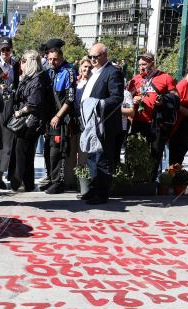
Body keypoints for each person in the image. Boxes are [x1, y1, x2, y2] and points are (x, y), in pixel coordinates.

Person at [79, 43, 124, 205]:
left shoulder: (113, 72)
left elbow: (117, 98)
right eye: (90, 57)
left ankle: (102, 194)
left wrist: (98, 104)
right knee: (92, 157)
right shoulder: (94, 72)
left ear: (105, 56)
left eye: (95, 57)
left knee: (103, 159)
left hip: (104, 124)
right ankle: (93, 189)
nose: (92, 60)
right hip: (91, 122)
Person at [127, 53, 177, 181]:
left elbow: (176, 98)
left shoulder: (165, 77)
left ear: (152, 64)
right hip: (139, 121)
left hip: (157, 122)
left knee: (155, 153)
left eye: (144, 64)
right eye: (139, 65)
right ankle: (136, 178)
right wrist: (134, 99)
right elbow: (126, 99)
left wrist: (163, 100)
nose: (141, 68)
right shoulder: (135, 79)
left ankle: (151, 179)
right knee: (136, 151)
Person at [10, 50, 52, 193]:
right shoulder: (31, 77)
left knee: (22, 152)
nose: (20, 64)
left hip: (30, 122)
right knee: (26, 153)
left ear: (29, 63)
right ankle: (27, 183)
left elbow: (34, 103)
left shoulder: (37, 79)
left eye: (23, 61)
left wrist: (19, 112)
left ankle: (18, 182)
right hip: (29, 121)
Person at [42, 47, 76, 194]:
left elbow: (70, 98)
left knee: (57, 150)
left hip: (60, 119)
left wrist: (58, 116)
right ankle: (50, 179)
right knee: (47, 151)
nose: (52, 62)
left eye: (54, 59)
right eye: (49, 59)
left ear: (61, 57)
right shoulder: (49, 71)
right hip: (49, 118)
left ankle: (58, 182)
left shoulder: (69, 71)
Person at [0, 37, 20, 189]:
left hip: (10, 107)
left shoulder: (16, 65)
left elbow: (19, 84)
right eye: (2, 49)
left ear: (11, 49)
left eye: (7, 49)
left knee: (7, 144)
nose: (5, 52)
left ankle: (1, 176)